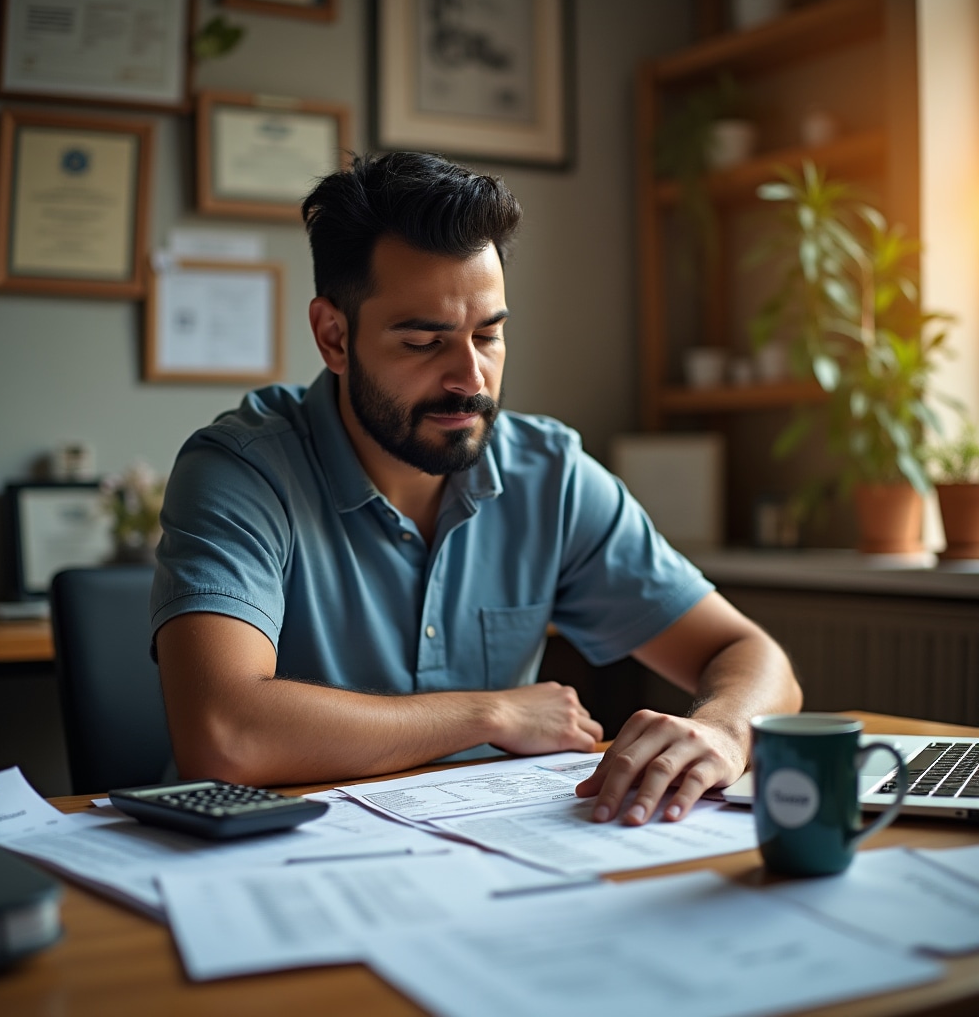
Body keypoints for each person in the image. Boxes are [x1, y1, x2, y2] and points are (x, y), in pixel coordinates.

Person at [151, 151, 801, 826]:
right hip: (268, 866)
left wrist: (722, 732)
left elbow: (754, 657)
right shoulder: (241, 470)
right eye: (424, 342)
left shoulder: (548, 474)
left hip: (491, 849)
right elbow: (223, 735)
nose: (470, 377)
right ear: (334, 336)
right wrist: (489, 711)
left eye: (488, 335)